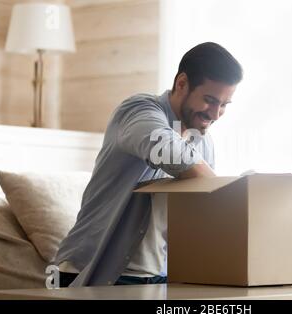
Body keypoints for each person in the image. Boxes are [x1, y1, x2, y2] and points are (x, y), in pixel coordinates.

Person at [54, 42, 243, 287]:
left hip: (159, 277)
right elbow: (171, 153)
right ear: (182, 83)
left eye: (224, 105)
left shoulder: (203, 142)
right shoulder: (138, 111)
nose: (216, 114)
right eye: (209, 100)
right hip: (89, 271)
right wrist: (232, 194)